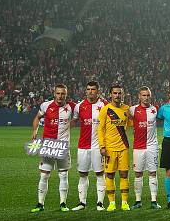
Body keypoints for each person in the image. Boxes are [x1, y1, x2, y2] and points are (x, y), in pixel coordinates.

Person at [31, 84, 76, 213]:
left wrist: (68, 126)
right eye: (58, 93)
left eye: (63, 94)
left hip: (63, 146)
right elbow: (37, 118)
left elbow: (78, 118)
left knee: (63, 175)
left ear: (66, 95)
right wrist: (35, 130)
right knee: (44, 175)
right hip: (48, 145)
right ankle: (40, 204)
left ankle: (63, 203)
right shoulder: (46, 106)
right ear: (54, 93)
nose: (60, 96)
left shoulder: (72, 107)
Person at [72, 81, 107, 211]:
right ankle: (82, 202)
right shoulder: (79, 106)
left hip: (99, 146)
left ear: (98, 91)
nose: (90, 91)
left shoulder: (104, 105)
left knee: (99, 173)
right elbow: (74, 121)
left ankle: (100, 203)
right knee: (82, 174)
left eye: (93, 89)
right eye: (88, 89)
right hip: (83, 146)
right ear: (85, 91)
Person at [98, 84, 132, 211]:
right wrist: (102, 146)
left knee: (124, 174)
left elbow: (130, 124)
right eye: (115, 93)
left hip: (123, 147)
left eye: (119, 93)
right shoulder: (105, 110)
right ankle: (111, 203)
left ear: (122, 95)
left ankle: (124, 202)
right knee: (110, 175)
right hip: (109, 149)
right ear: (111, 94)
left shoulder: (126, 109)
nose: (117, 95)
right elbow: (100, 129)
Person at [129, 86, 161, 209]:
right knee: (138, 173)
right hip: (138, 147)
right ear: (139, 96)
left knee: (153, 173)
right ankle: (138, 201)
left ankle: (154, 201)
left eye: (148, 95)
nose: (146, 97)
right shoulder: (132, 110)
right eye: (143, 95)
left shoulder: (155, 109)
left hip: (152, 146)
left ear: (150, 96)